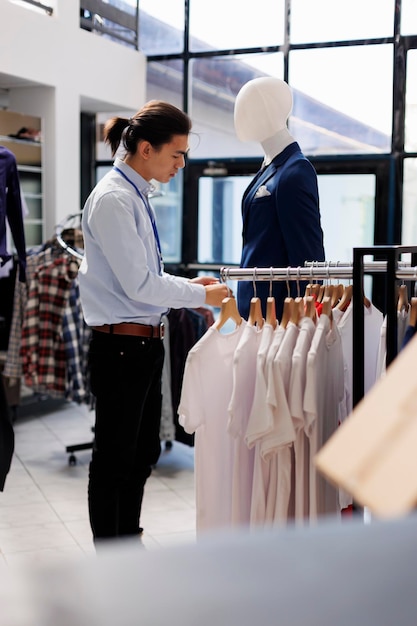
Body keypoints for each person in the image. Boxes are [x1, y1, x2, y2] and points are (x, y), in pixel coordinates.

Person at [78, 100, 229, 545]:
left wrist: (188, 285)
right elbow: (139, 286)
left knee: (141, 453)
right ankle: (113, 560)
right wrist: (200, 294)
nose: (181, 164)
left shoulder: (135, 194)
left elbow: (145, 277)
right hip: (120, 347)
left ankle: (128, 542)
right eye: (177, 154)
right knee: (114, 459)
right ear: (147, 148)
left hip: (142, 345)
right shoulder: (113, 200)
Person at [234, 77, 325, 321]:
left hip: (278, 316)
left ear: (268, 111)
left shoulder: (295, 171)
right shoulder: (270, 167)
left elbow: (308, 256)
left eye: (245, 108)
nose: (237, 117)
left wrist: (303, 319)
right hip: (255, 311)